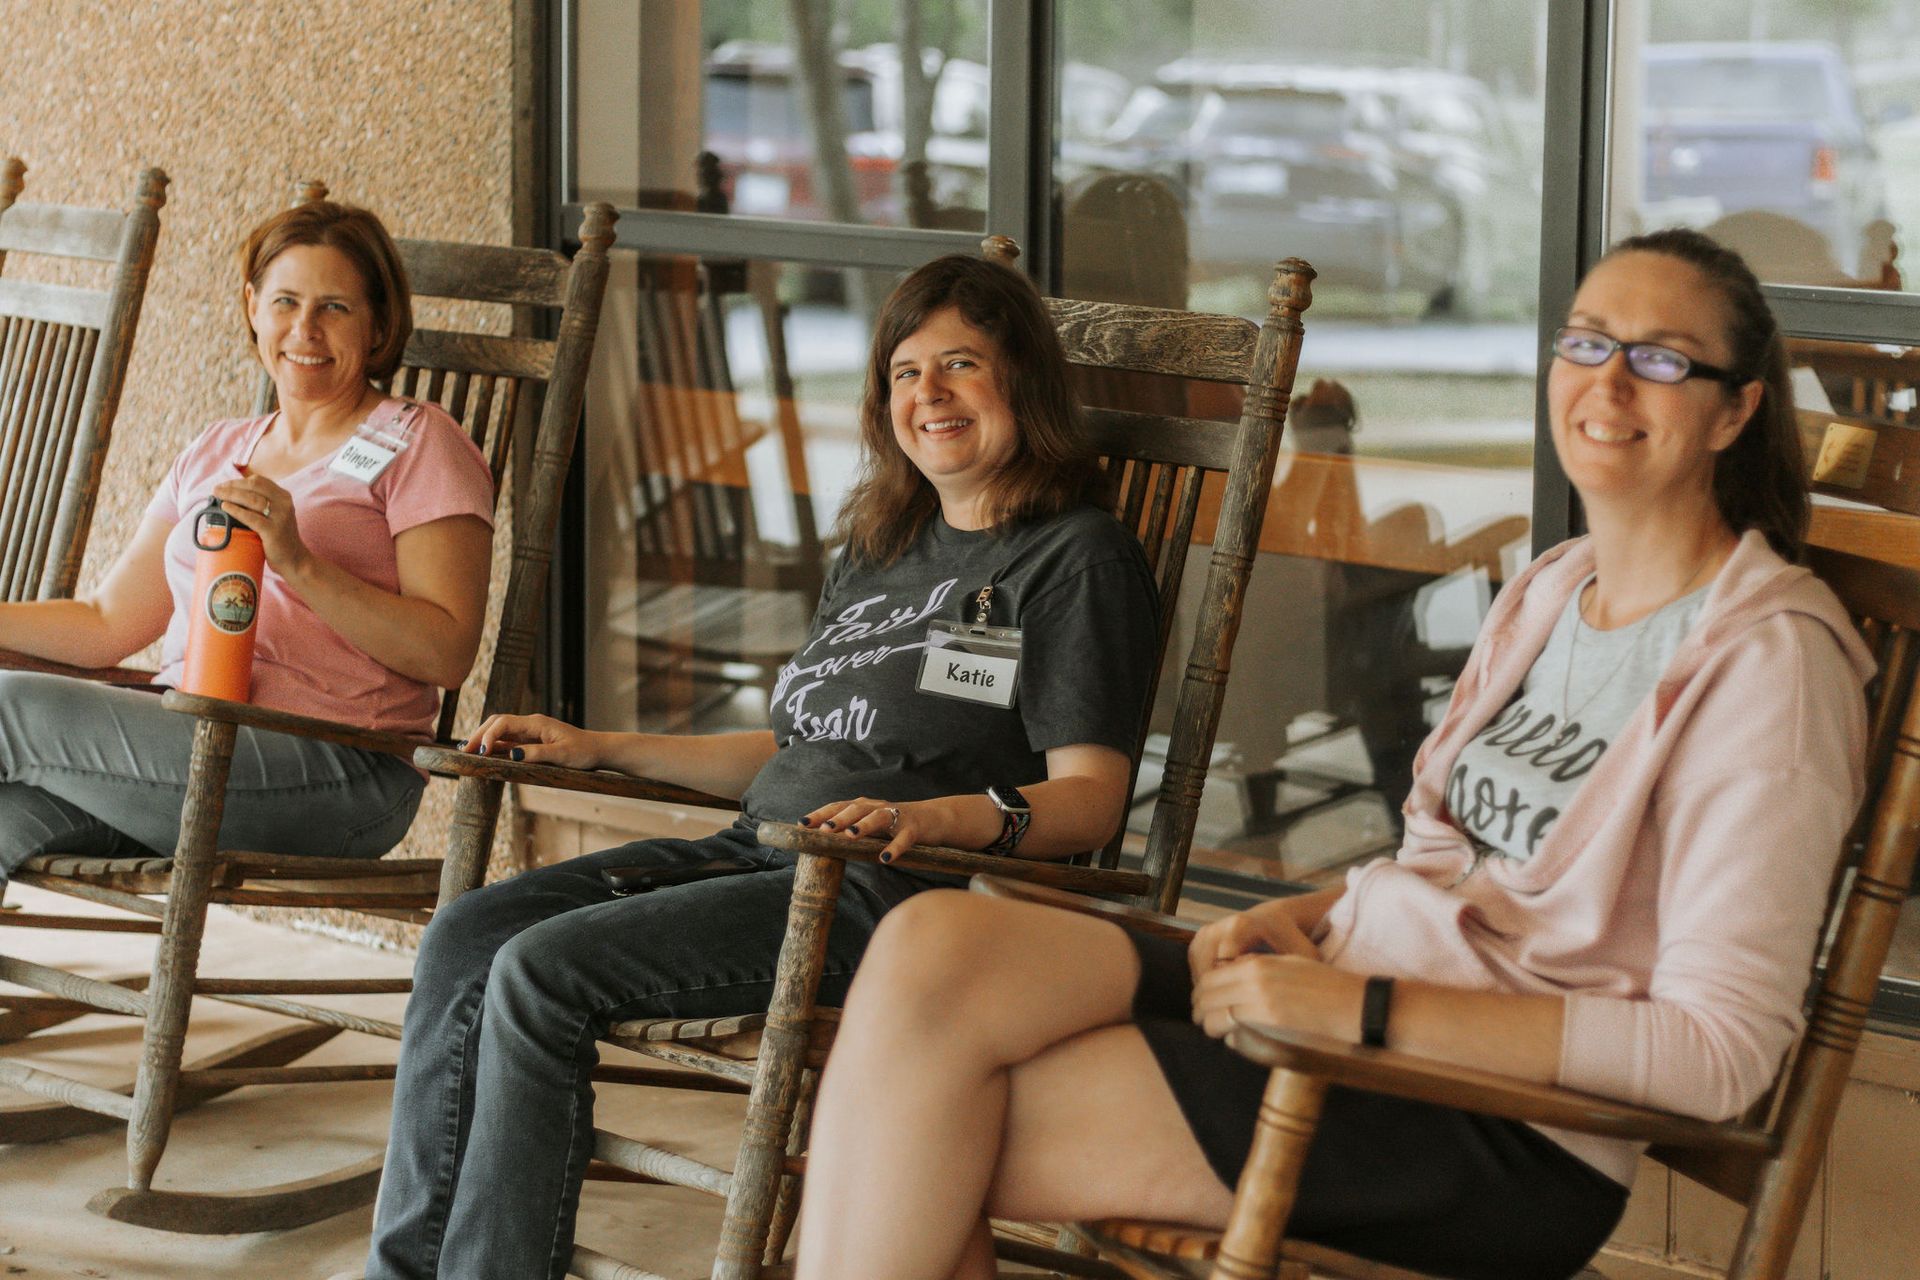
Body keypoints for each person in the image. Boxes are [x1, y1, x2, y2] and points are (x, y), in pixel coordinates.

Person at [795, 228, 1873, 1280]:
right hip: (1359, 994)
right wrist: (1301, 919)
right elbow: (1440, 862)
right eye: (1587, 342)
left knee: (912, 1117)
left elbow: (1722, 1055)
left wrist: (1358, 1010)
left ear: (1737, 407)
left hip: (1494, 1128)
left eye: (1661, 359)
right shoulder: (1554, 588)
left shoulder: (1772, 662)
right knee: (936, 942)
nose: (1609, 382)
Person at [360, 254, 1160, 1280]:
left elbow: (1089, 799)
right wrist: (597, 742)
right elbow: (791, 748)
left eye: (962, 363)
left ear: (1024, 384)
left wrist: (941, 820)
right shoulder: (884, 542)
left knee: (540, 972)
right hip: (756, 853)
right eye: (906, 372)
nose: (931, 394)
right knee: (468, 930)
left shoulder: (1075, 558)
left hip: (890, 897)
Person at [0, 200, 493, 886]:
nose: (305, 329)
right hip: (192, 742)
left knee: (7, 708)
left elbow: (447, 652)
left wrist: (298, 560)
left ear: (379, 323)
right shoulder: (218, 447)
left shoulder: (419, 442)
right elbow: (107, 625)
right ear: (253, 305)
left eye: (336, 309)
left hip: (340, 770)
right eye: (286, 301)